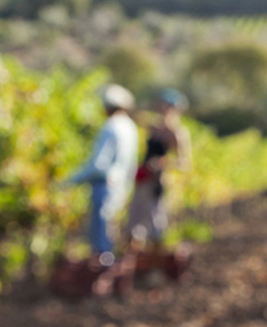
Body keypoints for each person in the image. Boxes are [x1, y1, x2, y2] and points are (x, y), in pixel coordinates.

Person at [64, 84, 139, 263]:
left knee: (100, 231)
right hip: (121, 184)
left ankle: (104, 266)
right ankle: (108, 264)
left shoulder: (110, 127)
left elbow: (98, 165)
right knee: (109, 225)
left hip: (105, 185)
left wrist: (70, 180)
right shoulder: (130, 127)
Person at [125, 88, 192, 253]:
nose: (161, 109)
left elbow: (185, 163)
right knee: (135, 219)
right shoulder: (153, 126)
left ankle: (155, 261)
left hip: (157, 181)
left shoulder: (177, 133)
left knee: (155, 220)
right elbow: (134, 116)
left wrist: (163, 163)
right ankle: (136, 260)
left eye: (165, 106)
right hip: (143, 179)